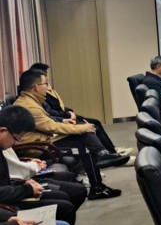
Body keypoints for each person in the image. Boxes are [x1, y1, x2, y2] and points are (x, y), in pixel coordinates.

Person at [13, 71, 121, 200]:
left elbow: (48, 123)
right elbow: (52, 127)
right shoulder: (29, 106)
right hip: (37, 147)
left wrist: (72, 124)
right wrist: (81, 128)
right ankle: (100, 165)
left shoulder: (31, 101)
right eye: (45, 84)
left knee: (84, 134)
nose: (48, 87)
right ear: (36, 87)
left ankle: (100, 165)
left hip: (44, 140)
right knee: (84, 137)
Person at [29, 64, 129, 159]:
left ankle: (108, 152)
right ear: (36, 86)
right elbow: (51, 123)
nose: (47, 83)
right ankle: (106, 154)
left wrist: (68, 113)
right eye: (45, 82)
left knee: (92, 125)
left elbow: (54, 110)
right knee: (88, 128)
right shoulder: (32, 104)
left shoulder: (38, 96)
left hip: (59, 122)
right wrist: (77, 126)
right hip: (45, 141)